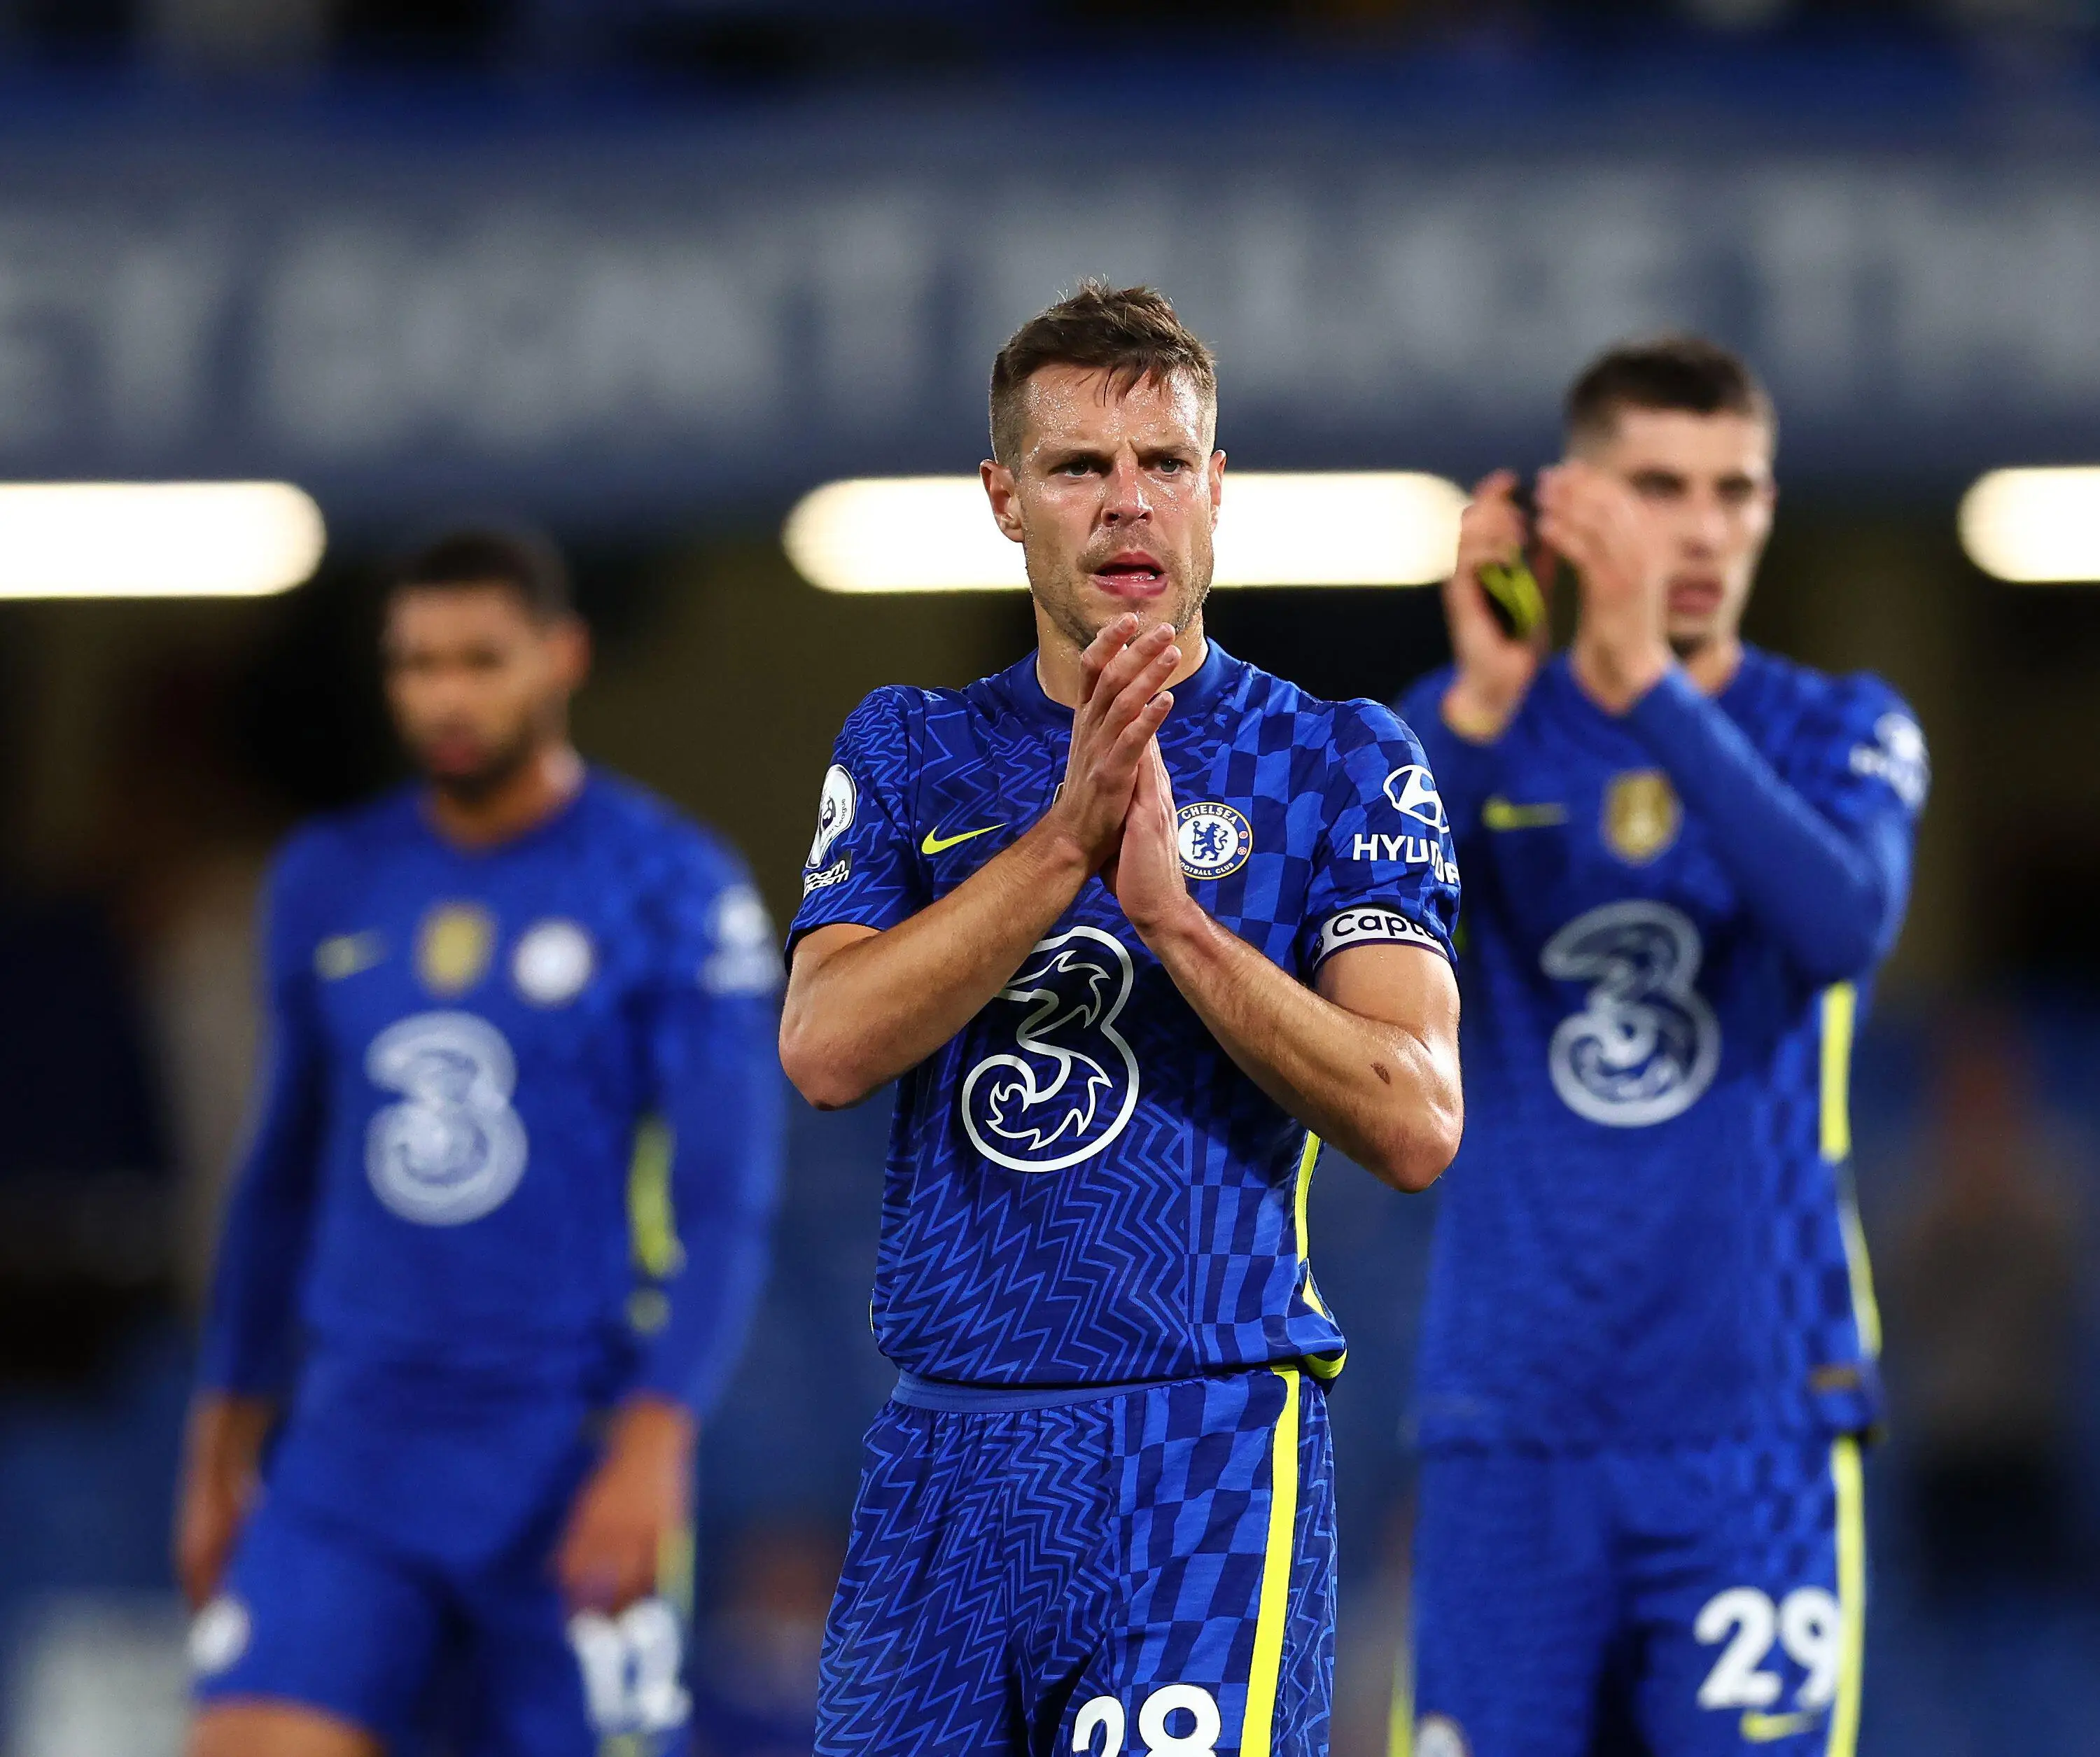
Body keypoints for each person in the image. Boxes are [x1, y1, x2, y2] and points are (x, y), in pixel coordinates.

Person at [778, 280, 1465, 1757]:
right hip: (945, 1446)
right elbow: (826, 1043)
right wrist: (1061, 845)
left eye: (1164, 465)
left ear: (1220, 491)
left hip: (1199, 1443)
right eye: (1079, 467)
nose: (1127, 506)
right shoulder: (913, 751)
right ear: (1004, 500)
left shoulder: (1340, 762)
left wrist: (1174, 922)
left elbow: (1414, 1114)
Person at [1393, 337, 1928, 1757]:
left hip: (1759, 1421)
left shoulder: (1840, 727)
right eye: (1655, 487)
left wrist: (1649, 692)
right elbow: (1344, 931)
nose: (1699, 528)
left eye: (1734, 489)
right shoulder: (1463, 734)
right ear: (1573, 506)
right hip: (1511, 1423)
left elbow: (1843, 924)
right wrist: (1480, 705)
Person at [176, 528, 785, 1757]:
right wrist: (221, 1429)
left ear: (561, 657)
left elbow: (727, 1196)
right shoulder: (331, 879)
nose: (447, 695)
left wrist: (658, 1438)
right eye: (416, 664)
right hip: (354, 1450)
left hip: (565, 1448)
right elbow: (279, 1177)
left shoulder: (668, 885)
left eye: (480, 659)